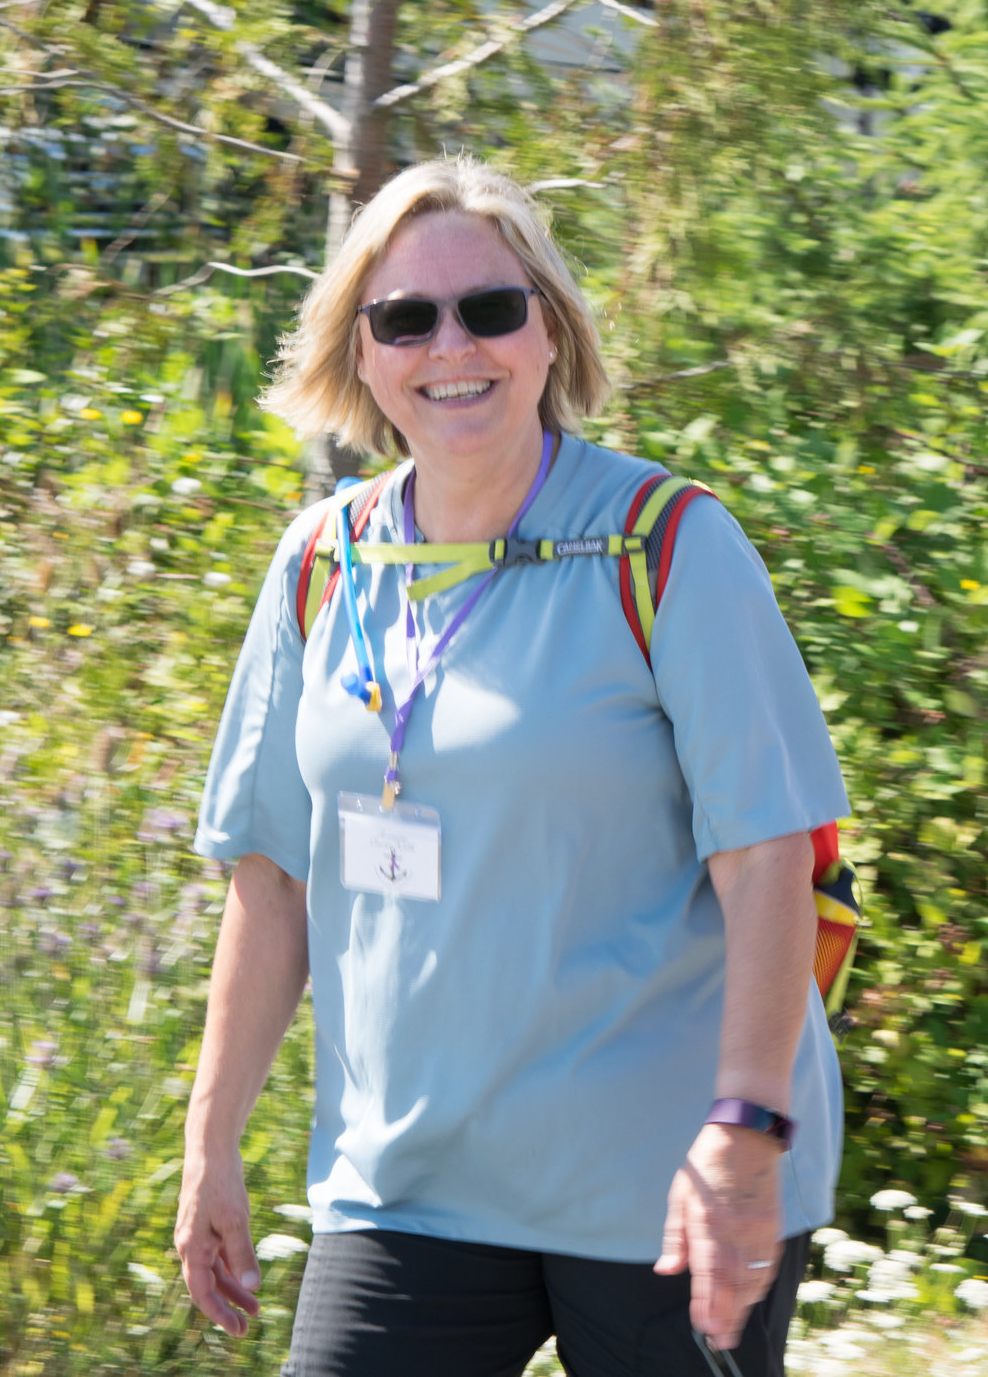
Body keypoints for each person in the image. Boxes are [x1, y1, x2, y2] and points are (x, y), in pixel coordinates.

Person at [173, 158, 849, 1377]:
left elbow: (768, 860)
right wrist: (209, 1142)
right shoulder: (320, 563)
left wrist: (746, 1127)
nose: (453, 346)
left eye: (491, 307)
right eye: (406, 317)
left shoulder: (667, 544)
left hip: (663, 1181)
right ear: (362, 355)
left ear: (548, 330)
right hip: (410, 1184)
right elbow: (269, 877)